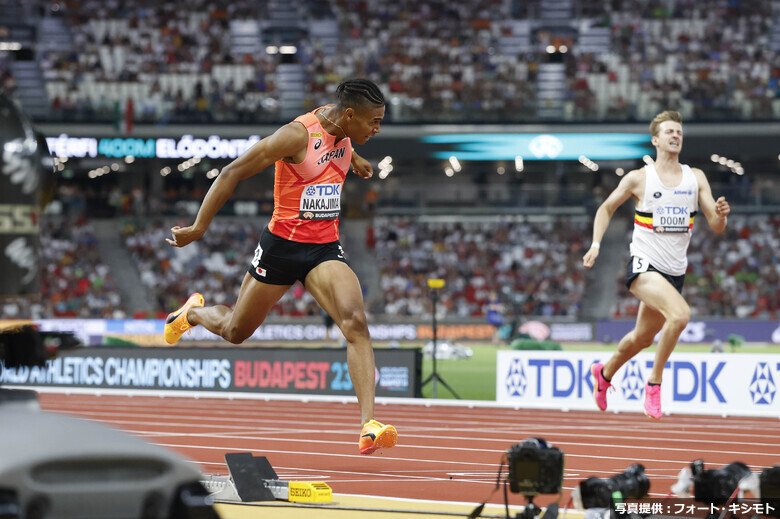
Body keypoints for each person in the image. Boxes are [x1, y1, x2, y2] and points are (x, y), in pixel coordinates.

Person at [163, 78, 397, 455]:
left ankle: (368, 424)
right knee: (235, 329)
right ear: (351, 114)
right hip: (281, 249)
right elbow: (232, 172)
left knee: (355, 321)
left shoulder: (346, 128)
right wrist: (199, 227)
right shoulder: (295, 136)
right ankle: (193, 315)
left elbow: (340, 142)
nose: (378, 128)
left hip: (323, 249)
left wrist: (355, 158)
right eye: (374, 121)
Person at [582, 110, 730, 419]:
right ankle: (654, 384)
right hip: (644, 267)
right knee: (681, 315)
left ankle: (604, 374)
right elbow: (606, 208)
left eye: (679, 132)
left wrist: (721, 214)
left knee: (642, 338)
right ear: (656, 140)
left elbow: (715, 225)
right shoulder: (639, 178)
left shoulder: (696, 177)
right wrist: (596, 245)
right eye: (669, 132)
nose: (676, 135)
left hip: (674, 272)